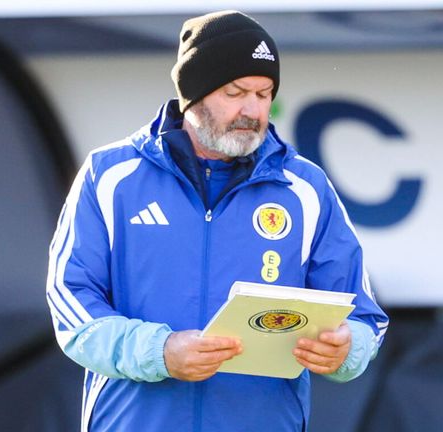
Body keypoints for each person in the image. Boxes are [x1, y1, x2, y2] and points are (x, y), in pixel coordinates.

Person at [46, 10, 389, 432]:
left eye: (264, 94)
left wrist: (346, 350)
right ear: (194, 94)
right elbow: (71, 302)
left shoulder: (305, 187)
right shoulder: (111, 175)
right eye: (235, 92)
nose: (252, 109)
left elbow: (364, 316)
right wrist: (160, 351)